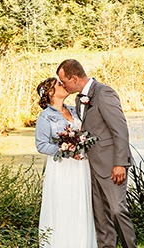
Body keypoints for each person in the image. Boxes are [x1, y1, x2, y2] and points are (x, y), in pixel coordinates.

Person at [57, 59, 138, 248]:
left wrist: (120, 163)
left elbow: (120, 130)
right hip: (91, 166)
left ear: (74, 78)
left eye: (64, 81)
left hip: (111, 166)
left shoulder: (104, 93)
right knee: (101, 217)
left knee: (117, 210)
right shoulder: (79, 99)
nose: (63, 85)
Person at [35, 77, 97, 248]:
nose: (63, 85)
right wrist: (65, 151)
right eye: (58, 84)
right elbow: (41, 145)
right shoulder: (45, 116)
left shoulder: (74, 109)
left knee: (80, 206)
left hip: (81, 166)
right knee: (64, 206)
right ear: (50, 93)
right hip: (62, 168)